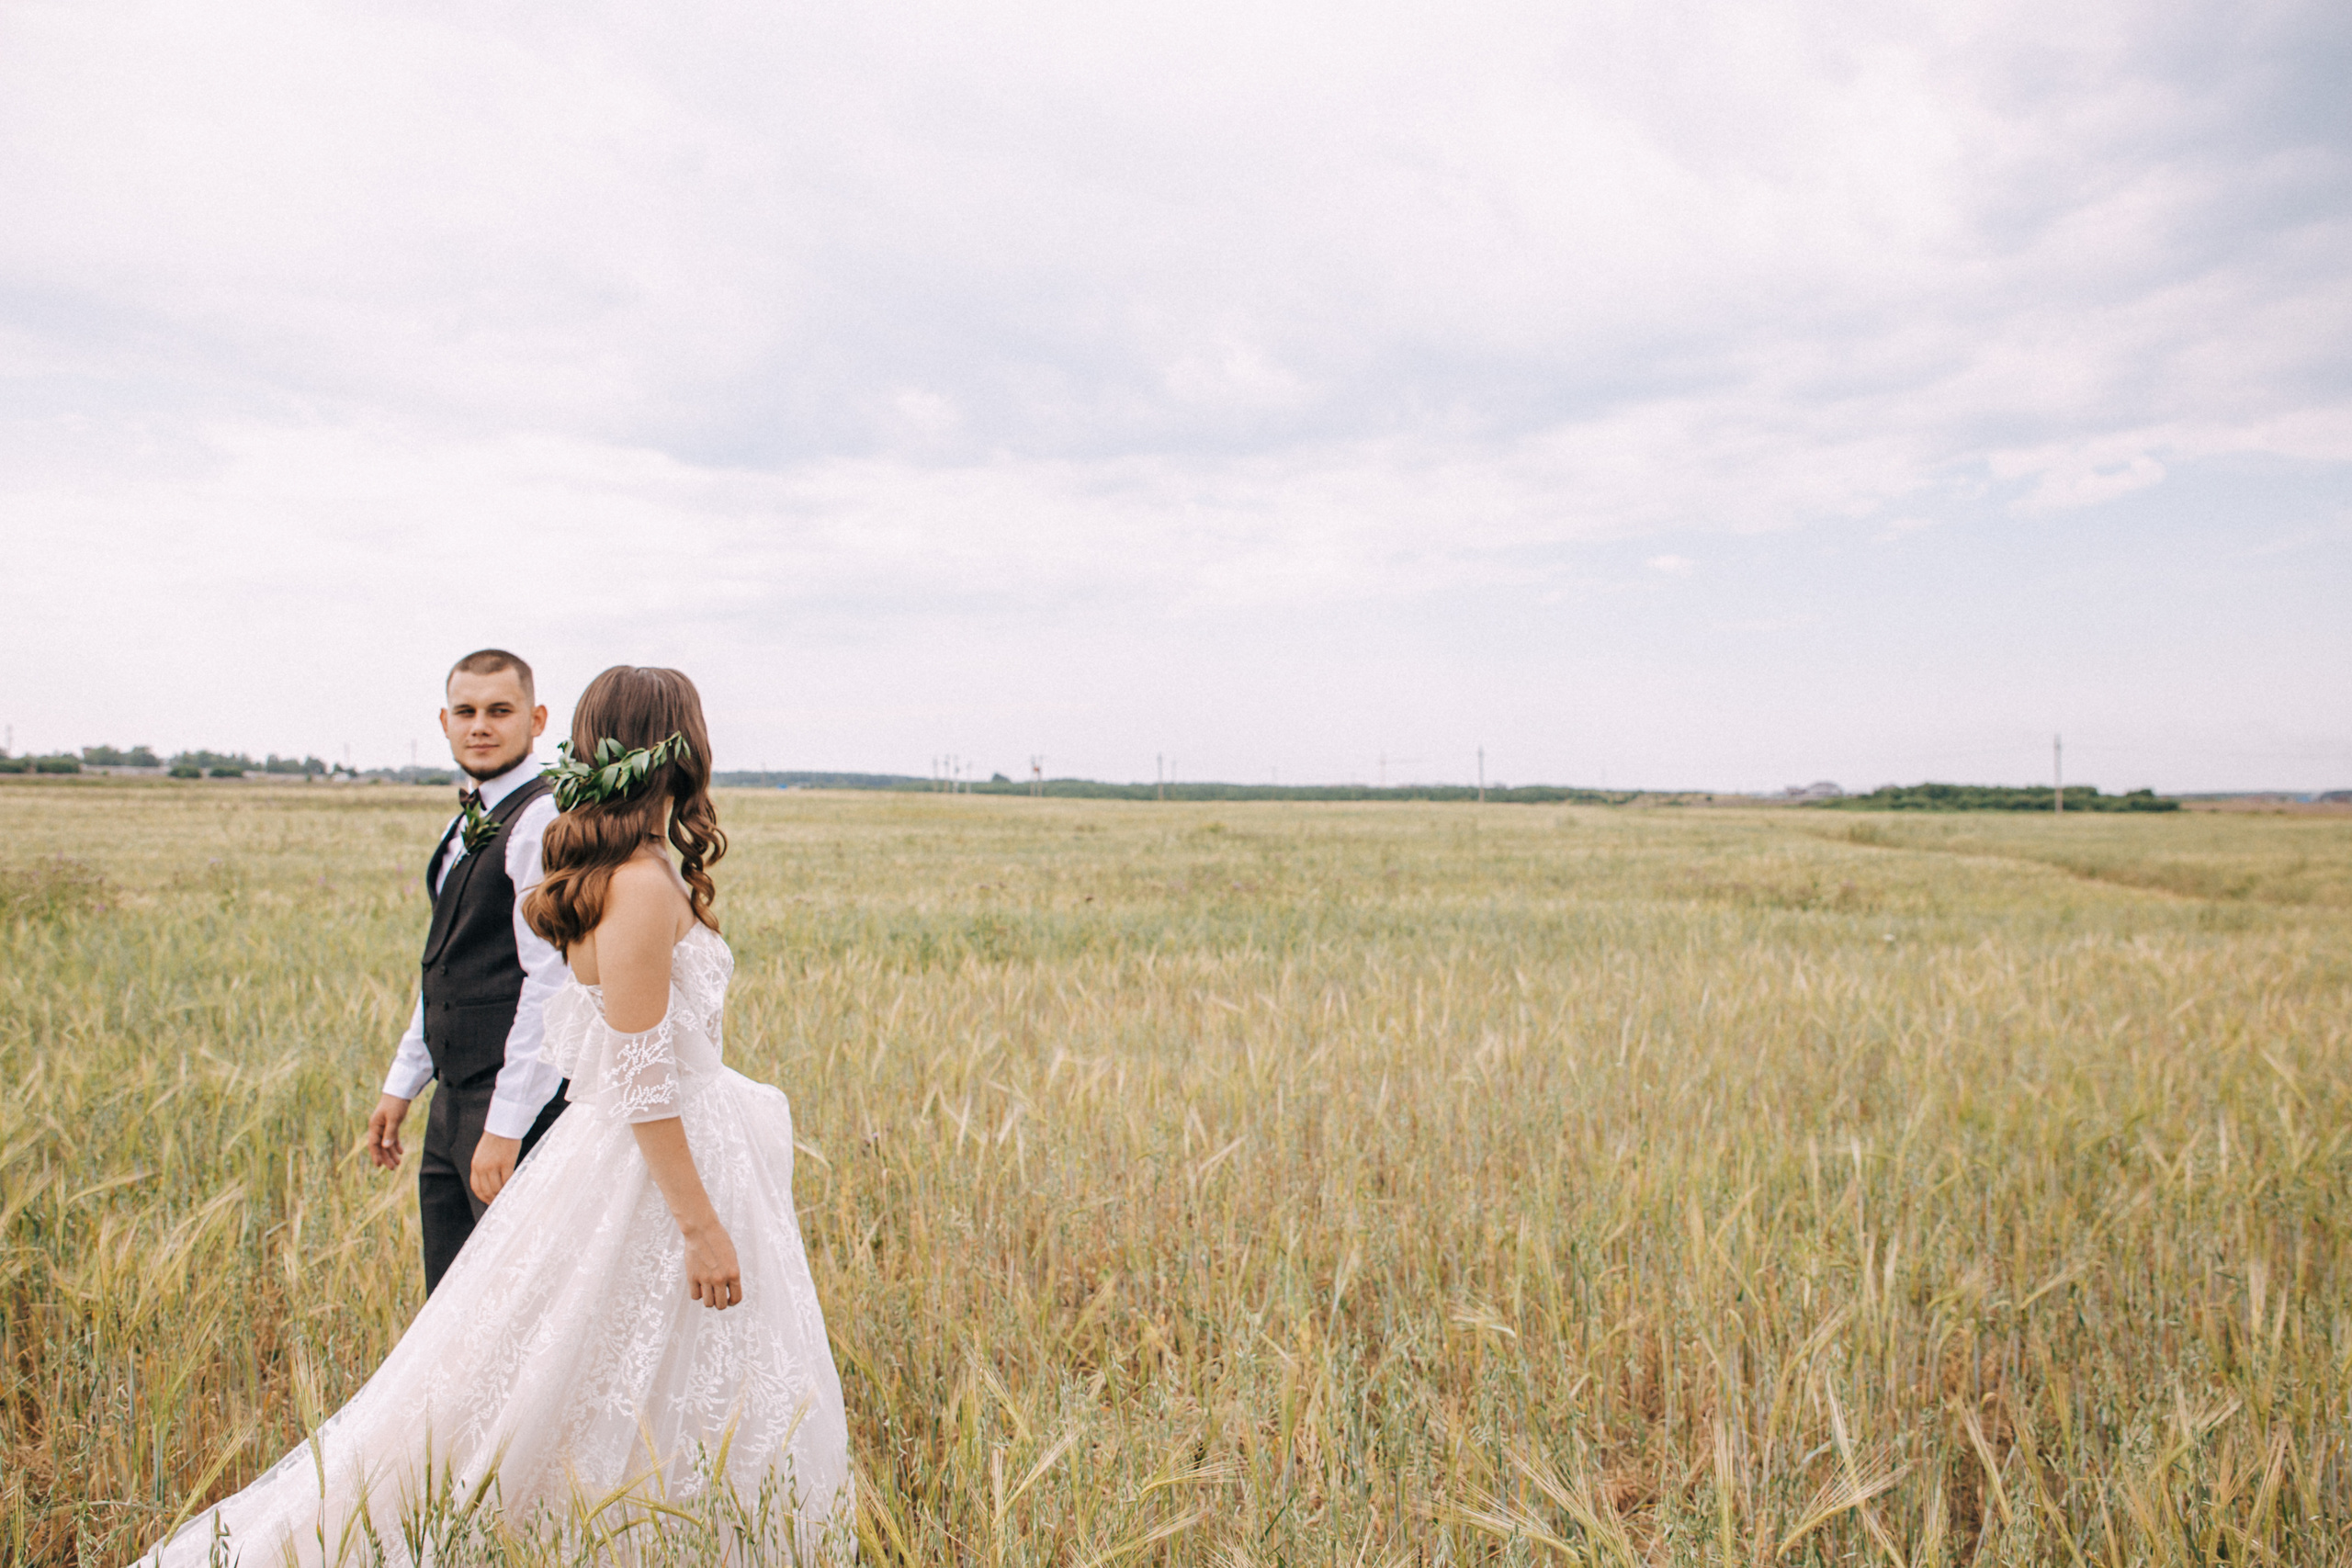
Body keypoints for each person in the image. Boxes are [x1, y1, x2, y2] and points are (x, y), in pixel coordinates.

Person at [135, 666, 852, 1562]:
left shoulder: (616, 871)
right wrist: (701, 1225)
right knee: (586, 1373)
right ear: (679, 747)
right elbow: (639, 1076)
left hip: (652, 1150)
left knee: (635, 1370)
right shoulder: (635, 886)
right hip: (652, 1169)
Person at [365, 649, 571, 1294]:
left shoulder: (541, 821)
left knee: (509, 1311)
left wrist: (505, 1127)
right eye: (466, 711)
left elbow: (551, 983)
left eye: (499, 711)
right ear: (445, 721)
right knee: (447, 1313)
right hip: (451, 1104)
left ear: (536, 719)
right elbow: (449, 967)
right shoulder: (469, 819)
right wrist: (405, 1082)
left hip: (514, 1105)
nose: (480, 725)